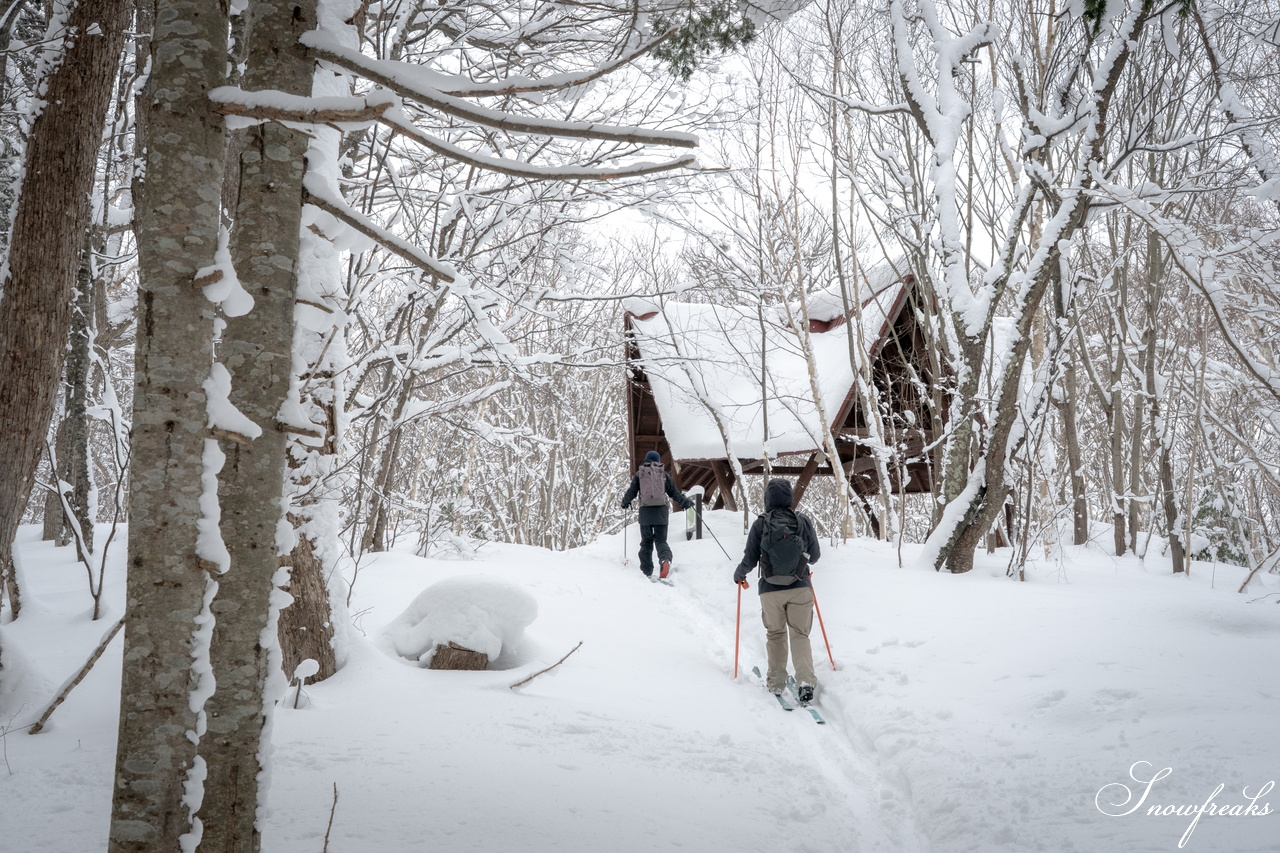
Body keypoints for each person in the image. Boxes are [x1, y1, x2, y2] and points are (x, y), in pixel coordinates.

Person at [733, 478, 821, 701]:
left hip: (770, 590)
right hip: (800, 587)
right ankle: (805, 682)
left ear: (767, 499)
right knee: (800, 634)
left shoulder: (761, 523)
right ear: (789, 497)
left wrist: (739, 573)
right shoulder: (802, 521)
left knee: (776, 634)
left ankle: (776, 682)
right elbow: (816, 556)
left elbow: (750, 558)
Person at [621, 450, 693, 580]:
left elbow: (631, 492)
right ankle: (665, 560)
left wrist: (625, 502)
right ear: (658, 461)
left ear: (646, 460)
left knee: (646, 542)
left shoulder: (640, 474)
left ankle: (646, 571)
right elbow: (674, 493)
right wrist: (686, 503)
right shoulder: (664, 475)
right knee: (661, 541)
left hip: (646, 514)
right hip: (661, 513)